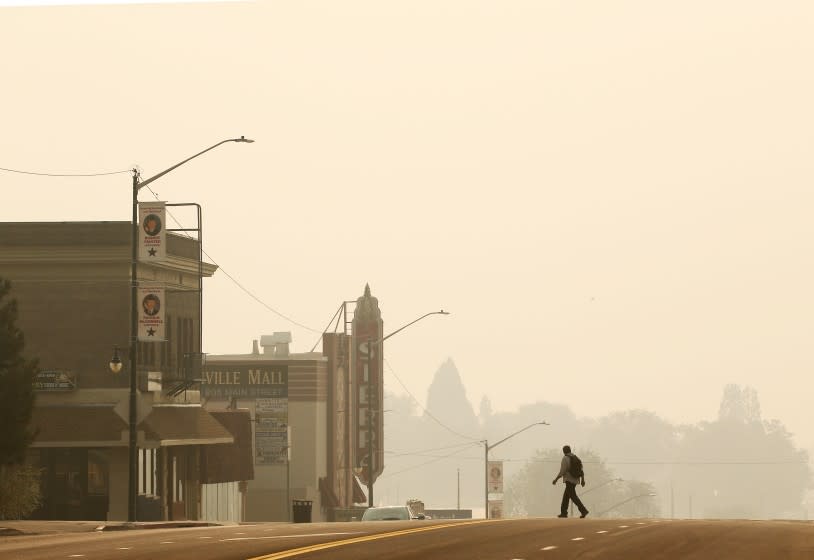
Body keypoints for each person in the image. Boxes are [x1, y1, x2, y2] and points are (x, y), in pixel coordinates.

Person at [552, 444, 589, 518]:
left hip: (569, 479)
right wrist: (582, 480)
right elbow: (581, 470)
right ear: (570, 450)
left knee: (573, 496)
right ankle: (564, 512)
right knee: (566, 496)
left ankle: (583, 510)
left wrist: (556, 479)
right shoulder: (575, 457)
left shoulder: (565, 458)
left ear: (564, 451)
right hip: (576, 479)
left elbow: (562, 471)